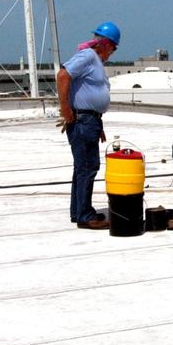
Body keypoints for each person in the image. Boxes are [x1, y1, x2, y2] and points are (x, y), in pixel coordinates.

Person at [57, 21, 120, 230]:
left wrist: (98, 123)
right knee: (87, 168)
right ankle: (85, 215)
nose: (113, 52)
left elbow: (88, 93)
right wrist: (65, 108)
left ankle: (78, 211)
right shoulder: (88, 56)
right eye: (113, 47)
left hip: (90, 120)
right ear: (105, 43)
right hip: (84, 121)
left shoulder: (94, 61)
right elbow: (63, 75)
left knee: (82, 168)